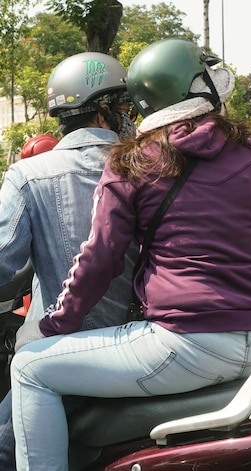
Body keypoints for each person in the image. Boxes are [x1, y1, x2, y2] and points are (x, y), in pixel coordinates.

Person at [10, 38, 251, 470]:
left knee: (28, 366)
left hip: (189, 342)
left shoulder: (131, 162)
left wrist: (54, 325)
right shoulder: (250, 150)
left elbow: (99, 258)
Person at [0, 51, 139, 470]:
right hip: (143, 351)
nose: (129, 119)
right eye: (125, 109)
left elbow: (4, 264)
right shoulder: (153, 169)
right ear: (104, 113)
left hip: (56, 358)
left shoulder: (29, 176)